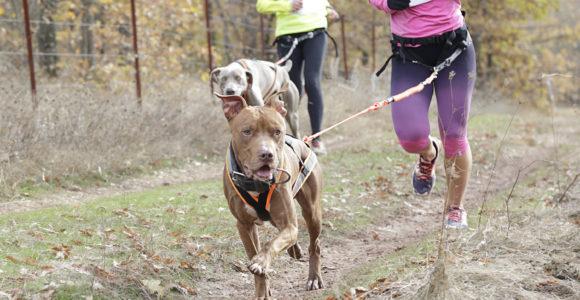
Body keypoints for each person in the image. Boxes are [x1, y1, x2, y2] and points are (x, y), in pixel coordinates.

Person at [369, 0, 476, 228]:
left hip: (454, 47)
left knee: (454, 134)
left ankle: (455, 208)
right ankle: (429, 153)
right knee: (410, 138)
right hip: (409, 55)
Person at [257, 0, 340, 155]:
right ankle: (285, 138)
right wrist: (288, 5)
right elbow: (262, 5)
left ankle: (317, 139)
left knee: (312, 81)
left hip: (316, 32)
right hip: (287, 36)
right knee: (291, 88)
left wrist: (329, 9)